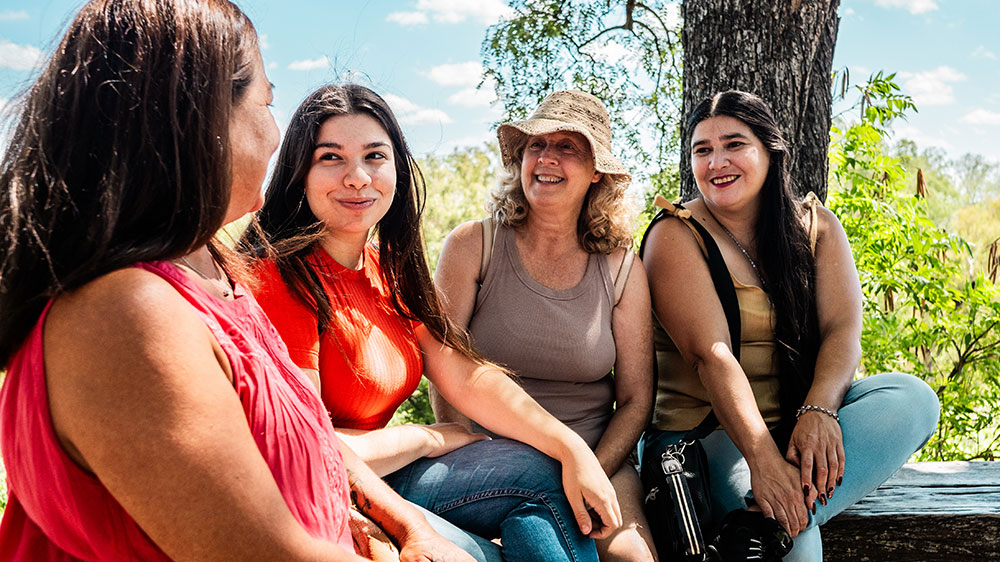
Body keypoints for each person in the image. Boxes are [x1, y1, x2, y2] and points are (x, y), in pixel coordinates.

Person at [0, 2, 473, 561]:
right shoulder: (127, 315)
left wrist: (408, 528)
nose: (276, 138)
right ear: (193, 122)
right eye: (267, 103)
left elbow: (311, 435)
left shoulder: (216, 272)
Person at [243, 83, 621, 562]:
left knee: (540, 475)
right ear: (299, 172)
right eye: (331, 158)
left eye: (374, 156)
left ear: (397, 167)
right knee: (528, 502)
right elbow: (303, 446)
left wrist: (572, 448)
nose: (358, 177)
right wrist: (426, 436)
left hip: (384, 471)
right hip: (322, 495)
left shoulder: (385, 270)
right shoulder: (281, 280)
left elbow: (466, 376)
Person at [638, 90, 940, 561]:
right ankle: (775, 520)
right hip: (710, 436)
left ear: (769, 150)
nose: (717, 161)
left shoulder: (816, 225)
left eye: (734, 144)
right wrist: (763, 461)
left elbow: (842, 328)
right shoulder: (675, 233)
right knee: (793, 533)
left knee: (912, 398)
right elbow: (709, 355)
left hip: (796, 424)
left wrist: (818, 410)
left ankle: (758, 523)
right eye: (702, 150)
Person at [432, 90, 657, 562]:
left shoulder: (621, 267)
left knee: (631, 557)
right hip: (491, 455)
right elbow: (442, 368)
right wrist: (474, 460)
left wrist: (590, 471)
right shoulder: (474, 245)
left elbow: (636, 399)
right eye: (536, 145)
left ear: (597, 172)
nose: (546, 158)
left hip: (598, 454)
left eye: (567, 147)